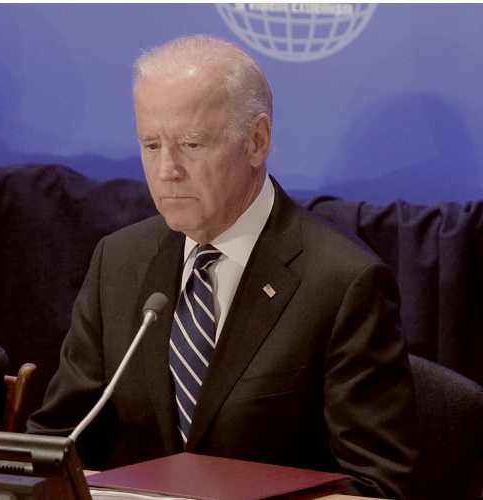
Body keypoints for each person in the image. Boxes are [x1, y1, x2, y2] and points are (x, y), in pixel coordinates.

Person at [27, 35, 420, 499]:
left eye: (191, 144)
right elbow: (59, 446)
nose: (167, 170)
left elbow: (377, 488)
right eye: (151, 145)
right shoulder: (119, 261)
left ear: (257, 140)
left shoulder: (343, 283)